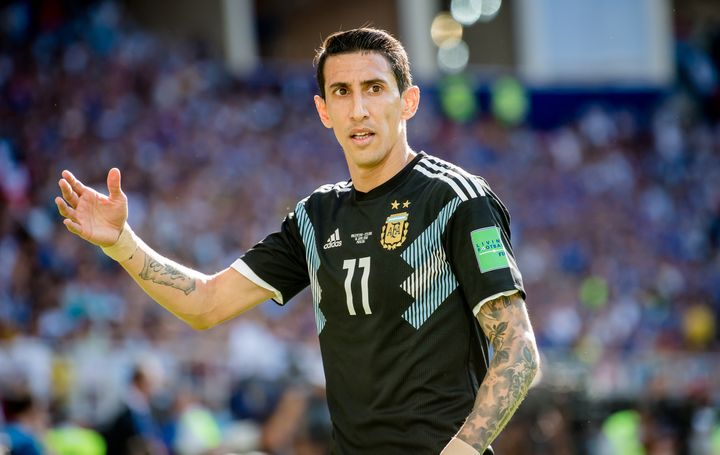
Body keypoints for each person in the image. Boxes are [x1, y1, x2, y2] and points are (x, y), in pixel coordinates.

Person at [55, 27, 540, 454]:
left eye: (374, 88)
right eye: (342, 93)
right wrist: (121, 242)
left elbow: (518, 351)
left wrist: (461, 452)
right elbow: (205, 304)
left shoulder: (456, 199)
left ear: (407, 101)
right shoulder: (316, 216)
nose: (360, 109)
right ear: (323, 110)